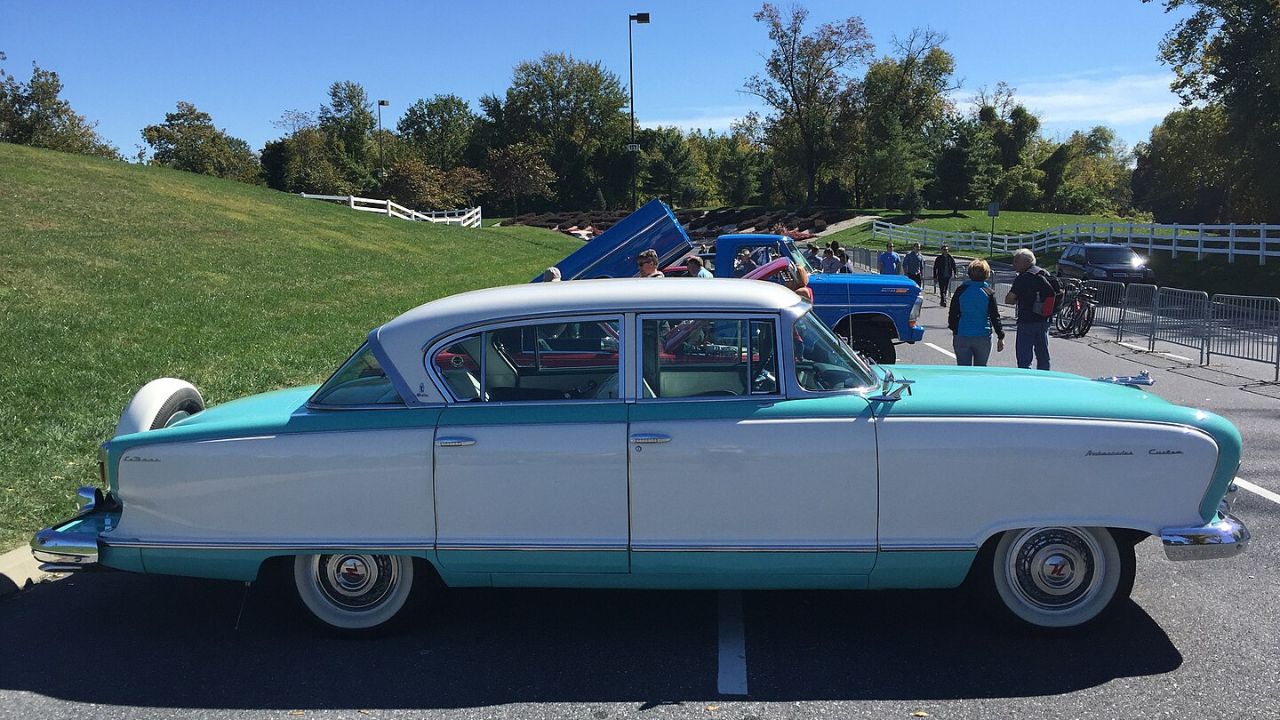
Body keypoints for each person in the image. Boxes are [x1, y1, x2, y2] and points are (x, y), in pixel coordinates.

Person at [947, 259, 1005, 366]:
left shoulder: (961, 290)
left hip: (962, 333)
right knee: (980, 369)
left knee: (964, 369)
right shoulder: (988, 293)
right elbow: (994, 316)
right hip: (983, 335)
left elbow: (953, 312)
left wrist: (954, 328)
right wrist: (1000, 335)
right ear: (987, 274)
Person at [1005, 248, 1054, 370]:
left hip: (1027, 320)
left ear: (1026, 262)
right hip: (1044, 319)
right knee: (1043, 355)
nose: (1014, 264)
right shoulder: (1045, 273)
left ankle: (1026, 382)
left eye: (1016, 261)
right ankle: (1044, 380)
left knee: (1024, 358)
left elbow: (1009, 299)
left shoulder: (1023, 278)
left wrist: (1021, 299)